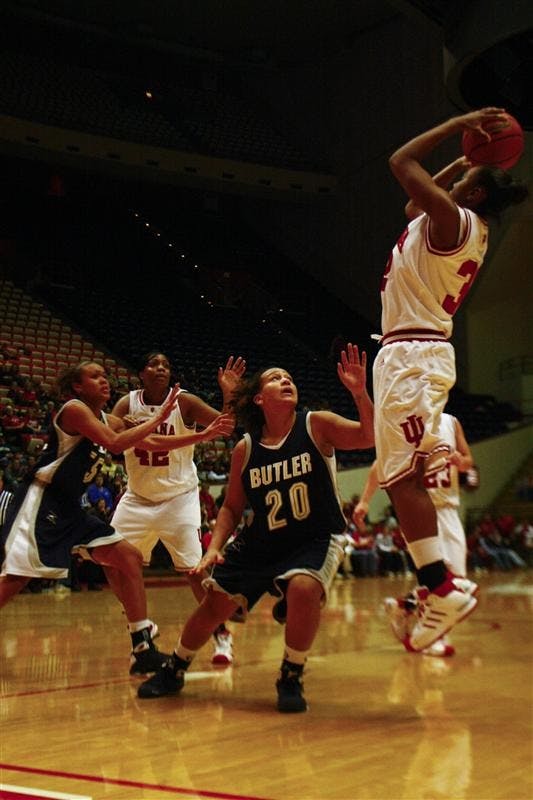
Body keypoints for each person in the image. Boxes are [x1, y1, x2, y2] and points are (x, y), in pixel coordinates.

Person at [137, 343, 374, 712]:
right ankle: (175, 666)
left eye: (289, 378)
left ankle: (291, 674)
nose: (286, 381)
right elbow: (232, 506)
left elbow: (368, 437)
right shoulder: (245, 450)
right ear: (260, 399)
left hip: (315, 536)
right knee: (214, 604)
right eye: (276, 379)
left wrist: (360, 394)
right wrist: (215, 545)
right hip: (263, 541)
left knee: (304, 587)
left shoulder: (317, 425)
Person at [372, 107, 528, 652]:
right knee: (401, 476)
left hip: (413, 354)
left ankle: (441, 588)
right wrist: (464, 160)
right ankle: (435, 588)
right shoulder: (453, 221)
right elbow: (412, 200)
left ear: (478, 195)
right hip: (414, 353)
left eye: (465, 179)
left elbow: (400, 162)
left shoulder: (456, 221)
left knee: (401, 480)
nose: (455, 180)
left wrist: (454, 123)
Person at [0, 361, 180, 674]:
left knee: (130, 558)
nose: (104, 380)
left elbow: (147, 442)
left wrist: (200, 435)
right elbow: (114, 444)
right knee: (17, 579)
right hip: (42, 502)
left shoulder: (106, 418)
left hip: (71, 507)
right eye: (95, 376)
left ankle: (142, 647)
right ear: (78, 386)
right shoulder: (73, 409)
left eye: (105, 375)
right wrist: (159, 418)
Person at [110, 351, 244, 667]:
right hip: (137, 497)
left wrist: (229, 393)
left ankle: (221, 633)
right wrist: (123, 428)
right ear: (141, 373)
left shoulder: (184, 402)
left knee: (195, 572)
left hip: (178, 498)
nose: (161, 368)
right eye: (154, 363)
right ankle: (141, 625)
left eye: (167, 365)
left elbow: (227, 426)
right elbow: (110, 436)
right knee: (109, 558)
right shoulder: (125, 405)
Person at [354, 413, 474, 656]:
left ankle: (403, 606)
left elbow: (468, 460)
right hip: (423, 511)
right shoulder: (411, 418)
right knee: (446, 583)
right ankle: (433, 638)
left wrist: (462, 462)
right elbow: (382, 463)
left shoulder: (452, 422)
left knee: (457, 581)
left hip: (449, 509)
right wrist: (365, 500)